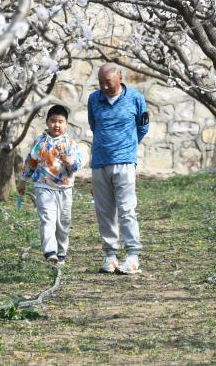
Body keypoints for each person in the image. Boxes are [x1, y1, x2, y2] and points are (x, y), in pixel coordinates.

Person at [88, 63, 149, 275]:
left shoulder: (136, 98)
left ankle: (133, 256)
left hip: (124, 161)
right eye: (101, 83)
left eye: (109, 82)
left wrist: (127, 145)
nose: (104, 87)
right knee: (104, 212)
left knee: (126, 209)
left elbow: (143, 126)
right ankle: (110, 255)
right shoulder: (94, 99)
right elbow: (94, 125)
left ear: (120, 78)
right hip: (99, 162)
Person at [18, 104, 84, 265]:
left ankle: (61, 253)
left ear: (66, 124)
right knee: (48, 219)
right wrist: (23, 180)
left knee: (63, 223)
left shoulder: (70, 144)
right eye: (53, 121)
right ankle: (50, 252)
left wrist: (68, 160)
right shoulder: (40, 142)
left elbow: (77, 165)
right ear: (47, 122)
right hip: (43, 186)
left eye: (61, 121)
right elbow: (30, 162)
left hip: (65, 188)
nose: (57, 125)